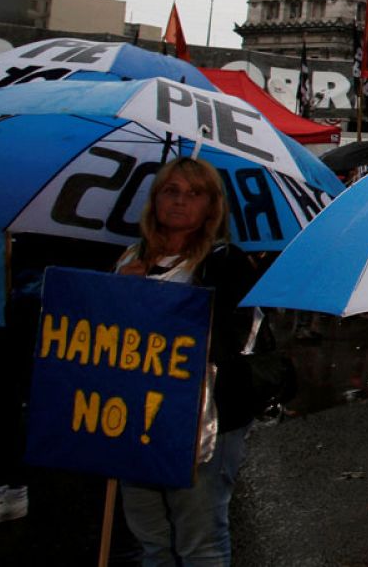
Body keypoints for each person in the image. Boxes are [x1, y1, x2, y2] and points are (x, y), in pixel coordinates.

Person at [115, 157, 262, 567]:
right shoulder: (130, 256)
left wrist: (148, 298)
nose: (180, 201)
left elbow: (235, 340)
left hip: (204, 421)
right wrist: (121, 291)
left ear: (212, 206)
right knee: (152, 542)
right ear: (155, 199)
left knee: (200, 544)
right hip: (134, 416)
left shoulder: (224, 261)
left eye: (194, 193)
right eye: (171, 190)